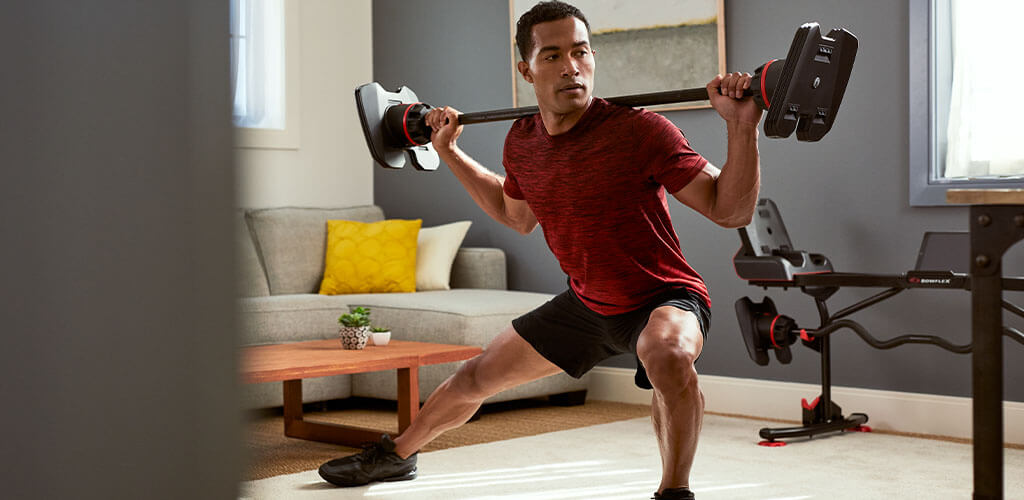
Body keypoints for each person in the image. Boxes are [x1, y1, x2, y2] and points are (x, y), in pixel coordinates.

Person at [318, 1, 761, 498]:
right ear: (526, 70)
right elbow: (516, 216)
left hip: (662, 295)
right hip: (587, 303)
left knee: (669, 354)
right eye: (552, 55)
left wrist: (742, 125)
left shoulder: (641, 130)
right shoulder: (522, 141)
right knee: (474, 378)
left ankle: (674, 491)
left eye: (581, 51)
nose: (571, 66)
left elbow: (731, 211)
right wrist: (449, 152)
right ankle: (397, 456)